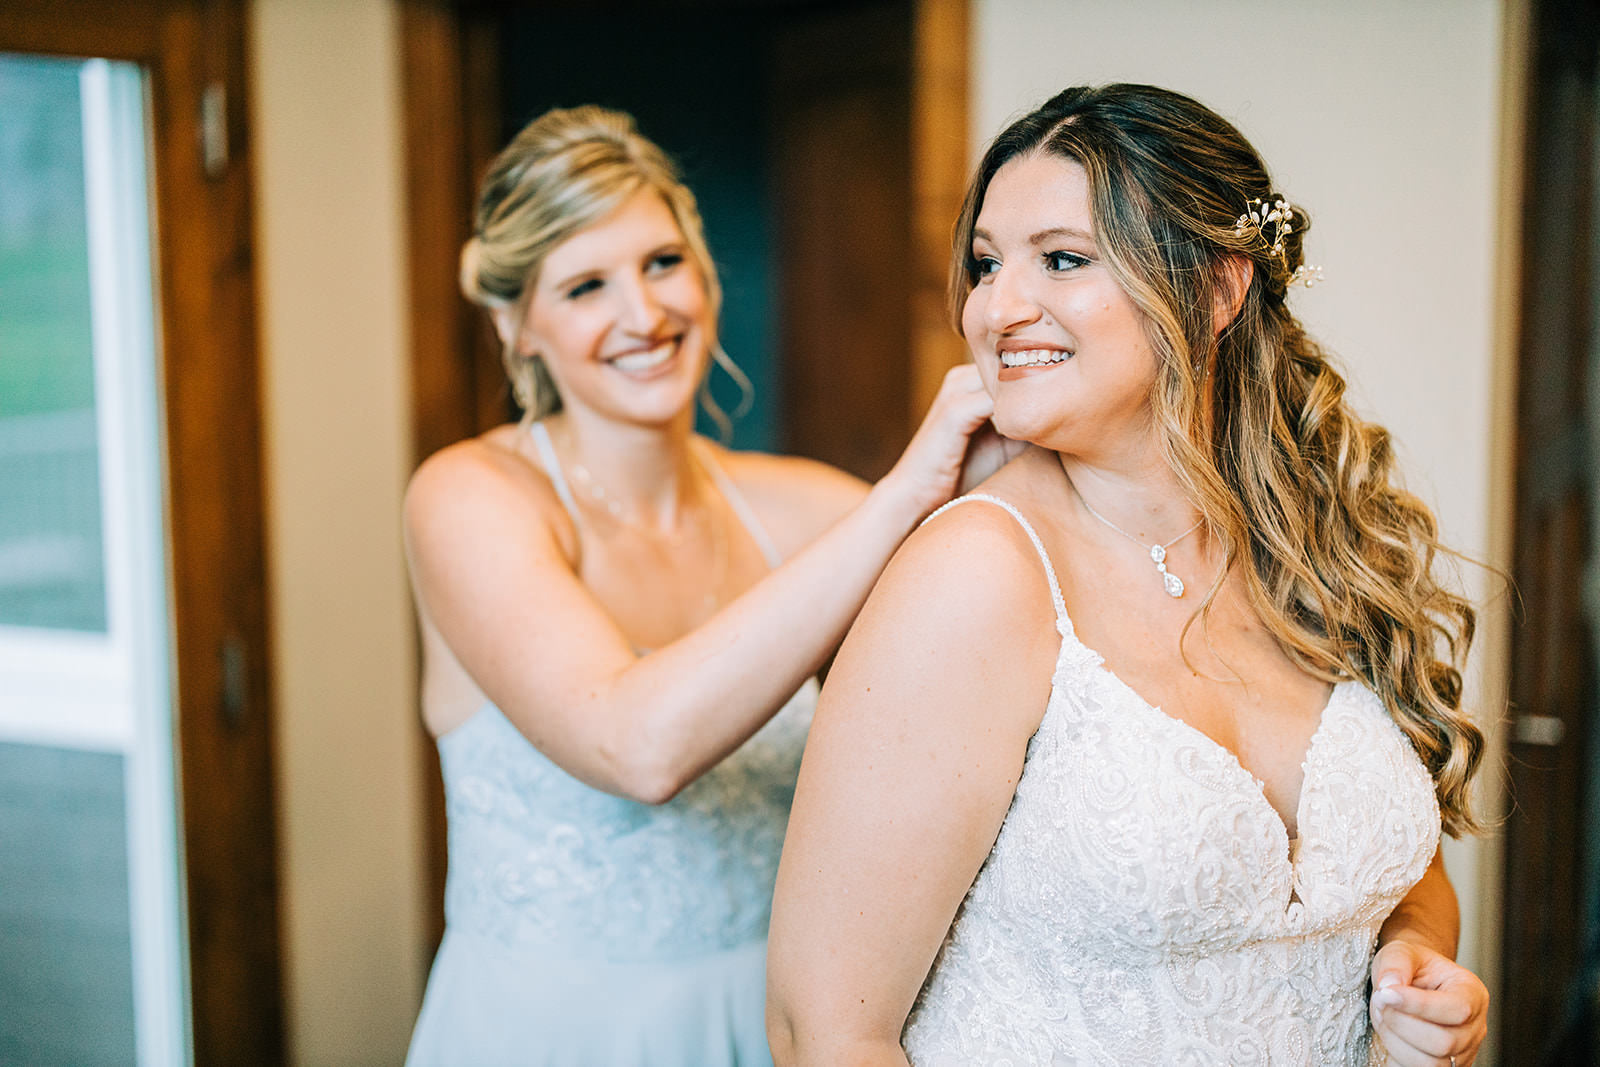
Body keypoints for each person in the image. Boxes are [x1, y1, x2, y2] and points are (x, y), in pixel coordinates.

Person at [767, 84, 1491, 1067]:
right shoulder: (976, 576)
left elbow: (1400, 874)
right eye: (986, 264)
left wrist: (1414, 967)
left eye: (1061, 258)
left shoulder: (1315, 548)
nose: (995, 307)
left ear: (1216, 289)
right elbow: (824, 1029)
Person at [400, 105, 1004, 1066]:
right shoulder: (470, 497)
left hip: (765, 1025)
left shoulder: (793, 507)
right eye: (586, 285)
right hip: (550, 1033)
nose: (643, 314)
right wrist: (900, 497)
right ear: (516, 325)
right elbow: (638, 745)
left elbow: (1020, 520)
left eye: (662, 262)